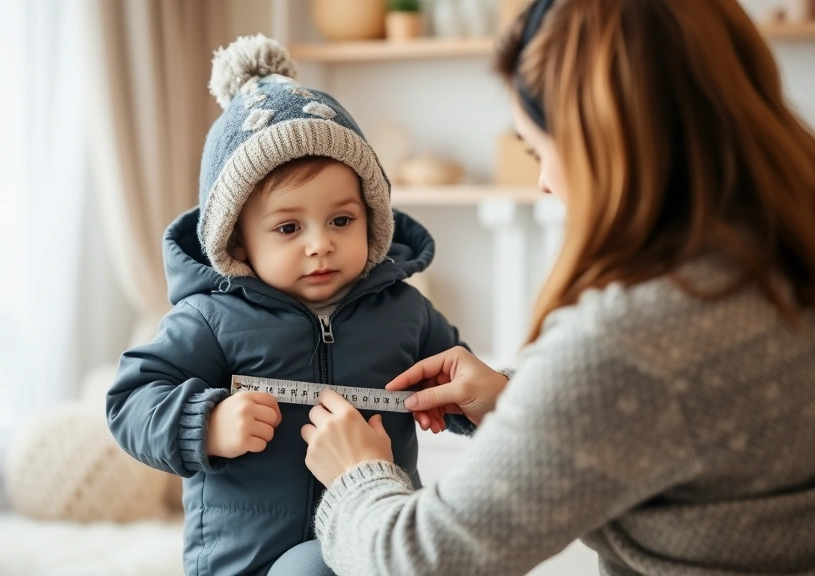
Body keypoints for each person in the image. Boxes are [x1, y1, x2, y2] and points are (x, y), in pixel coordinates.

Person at [300, 0, 815, 574]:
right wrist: (525, 398)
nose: (544, 183)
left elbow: (419, 560)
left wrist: (356, 476)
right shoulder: (781, 256)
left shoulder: (634, 339)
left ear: (607, 140)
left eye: (540, 150)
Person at [105, 35, 470, 576]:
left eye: (341, 220)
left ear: (372, 218)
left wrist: (486, 402)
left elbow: (459, 387)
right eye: (288, 227)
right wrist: (204, 424)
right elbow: (130, 400)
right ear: (237, 242)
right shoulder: (210, 318)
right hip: (245, 562)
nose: (319, 243)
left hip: (372, 546)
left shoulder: (408, 312)